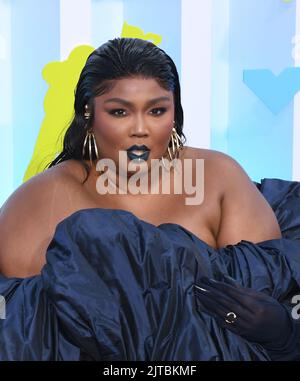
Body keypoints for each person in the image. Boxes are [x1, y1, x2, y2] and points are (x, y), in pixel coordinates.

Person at [0, 37, 299, 361]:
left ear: (175, 113)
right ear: (89, 114)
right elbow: (29, 335)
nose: (139, 129)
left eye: (156, 110)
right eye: (119, 112)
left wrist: (284, 332)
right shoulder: (37, 203)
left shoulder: (219, 178)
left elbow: (269, 299)